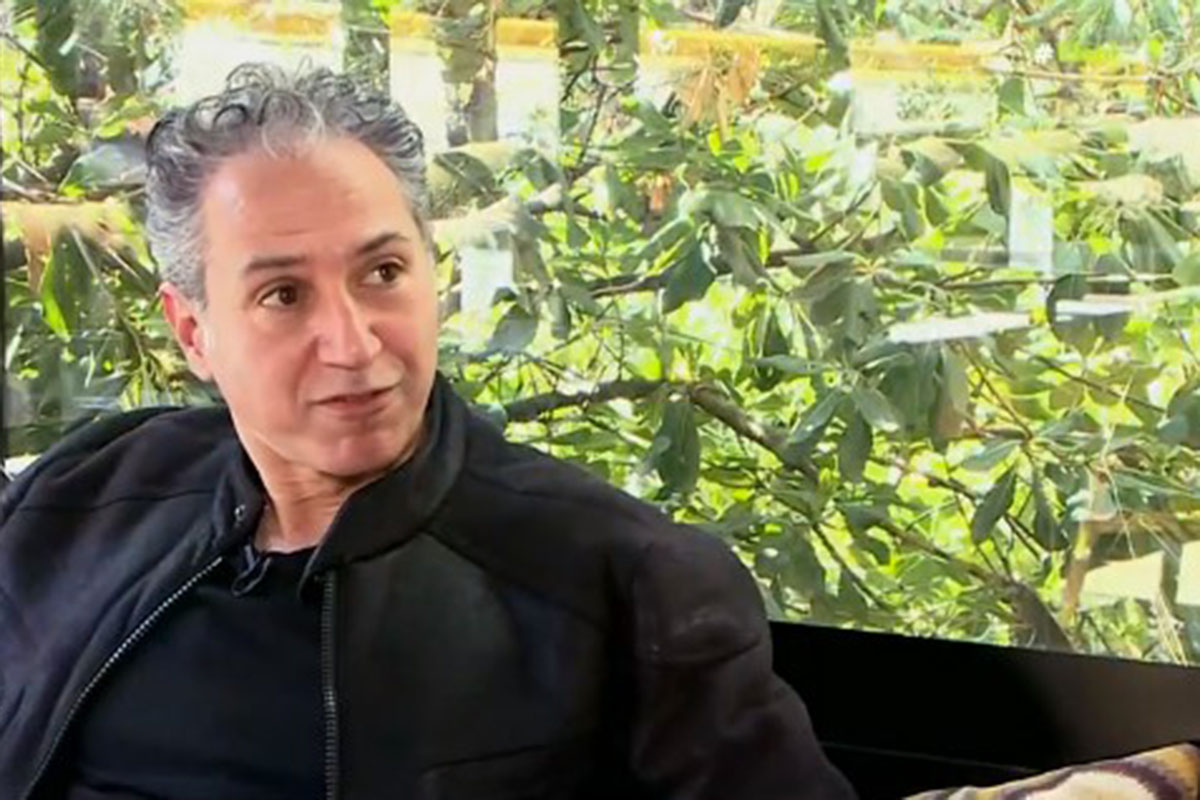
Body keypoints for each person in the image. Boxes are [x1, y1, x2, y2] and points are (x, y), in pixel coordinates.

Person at [0, 64, 855, 800]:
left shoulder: (625, 583)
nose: (352, 344)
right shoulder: (82, 499)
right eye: (283, 295)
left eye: (382, 272)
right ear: (194, 332)